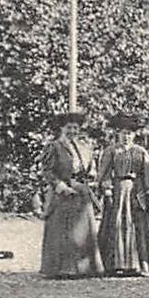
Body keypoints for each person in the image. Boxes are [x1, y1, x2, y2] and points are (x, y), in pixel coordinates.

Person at [39, 110, 101, 279]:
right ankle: (61, 269)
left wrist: (90, 179)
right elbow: (47, 171)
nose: (72, 131)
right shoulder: (54, 146)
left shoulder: (84, 147)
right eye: (69, 127)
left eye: (75, 128)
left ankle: (84, 267)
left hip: (81, 193)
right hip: (63, 195)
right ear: (62, 128)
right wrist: (61, 186)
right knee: (63, 232)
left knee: (82, 231)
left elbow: (90, 169)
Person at [96, 112, 149, 277]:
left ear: (135, 134)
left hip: (136, 191)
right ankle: (114, 264)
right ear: (118, 134)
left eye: (129, 133)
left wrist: (148, 192)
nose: (126, 137)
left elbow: (148, 175)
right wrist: (106, 188)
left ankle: (137, 264)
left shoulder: (141, 152)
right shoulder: (111, 151)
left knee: (136, 225)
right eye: (123, 133)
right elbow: (104, 173)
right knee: (115, 224)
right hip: (117, 192)